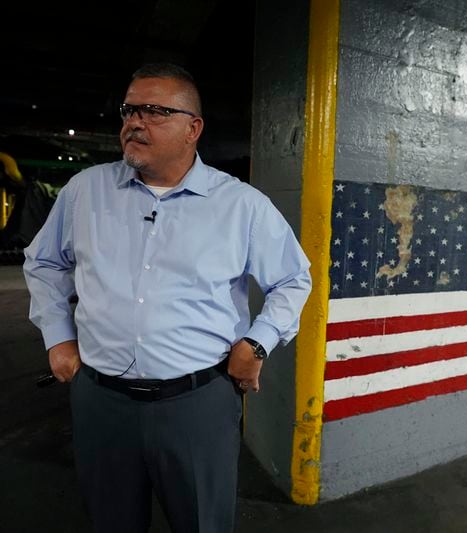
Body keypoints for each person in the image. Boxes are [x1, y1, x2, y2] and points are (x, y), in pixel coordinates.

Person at [23, 63, 312, 533]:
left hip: (197, 403)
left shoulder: (240, 206)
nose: (135, 122)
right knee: (110, 521)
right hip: (102, 401)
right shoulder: (84, 192)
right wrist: (58, 336)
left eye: (155, 111)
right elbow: (44, 262)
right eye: (129, 109)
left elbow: (293, 280)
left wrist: (257, 343)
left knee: (202, 523)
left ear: (193, 128)